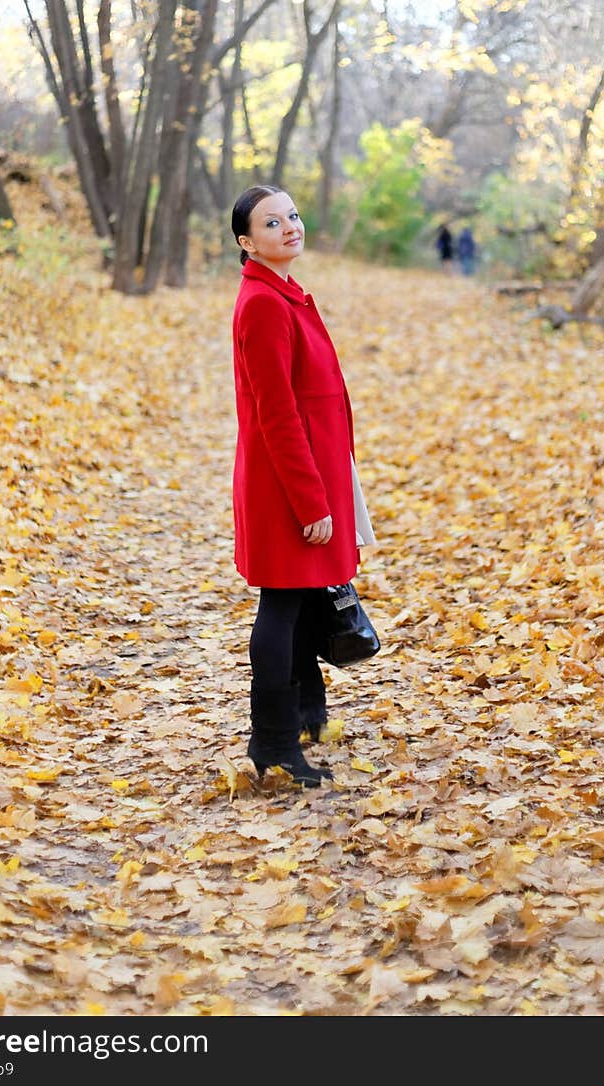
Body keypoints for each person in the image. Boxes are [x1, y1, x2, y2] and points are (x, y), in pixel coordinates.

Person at [230, 185, 374, 789]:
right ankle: (274, 744)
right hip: (288, 481)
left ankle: (309, 716)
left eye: (292, 216)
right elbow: (277, 414)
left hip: (313, 468)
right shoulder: (262, 304)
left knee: (306, 593)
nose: (289, 227)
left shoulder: (285, 294)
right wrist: (311, 501)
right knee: (283, 603)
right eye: (272, 222)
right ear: (247, 242)